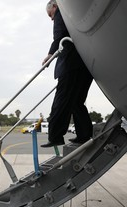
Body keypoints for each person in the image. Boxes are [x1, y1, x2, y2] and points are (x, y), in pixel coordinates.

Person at [41, 0, 93, 148]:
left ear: (55, 7)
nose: (52, 18)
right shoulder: (73, 17)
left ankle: (55, 136)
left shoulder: (60, 14)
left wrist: (50, 55)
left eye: (50, 14)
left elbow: (59, 37)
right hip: (84, 66)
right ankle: (84, 134)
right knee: (76, 102)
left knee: (61, 100)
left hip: (70, 65)